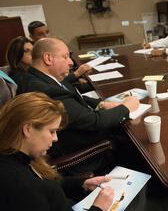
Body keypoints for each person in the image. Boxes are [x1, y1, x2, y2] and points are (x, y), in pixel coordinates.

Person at [0, 92, 168, 211]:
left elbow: (42, 187)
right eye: (51, 131)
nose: (55, 138)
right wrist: (97, 210)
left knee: (152, 210)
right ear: (27, 129)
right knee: (139, 188)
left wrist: (80, 184)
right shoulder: (17, 185)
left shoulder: (12, 158)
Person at [17, 38, 139, 173]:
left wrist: (101, 104)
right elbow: (93, 121)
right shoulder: (46, 90)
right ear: (48, 58)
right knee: (132, 136)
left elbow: (75, 98)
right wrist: (126, 107)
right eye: (65, 57)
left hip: (75, 133)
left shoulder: (40, 77)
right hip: (79, 150)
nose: (70, 62)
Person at [28, 20, 93, 92]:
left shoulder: (53, 44)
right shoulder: (35, 54)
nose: (46, 36)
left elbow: (71, 63)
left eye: (47, 32)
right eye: (40, 34)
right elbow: (53, 78)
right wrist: (76, 74)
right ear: (31, 36)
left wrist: (78, 76)